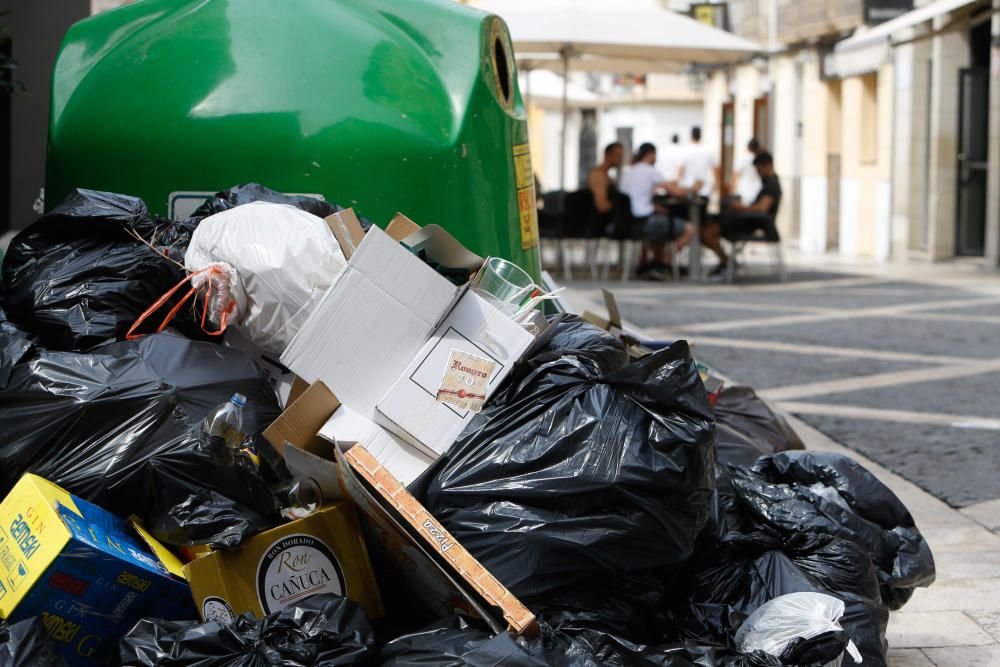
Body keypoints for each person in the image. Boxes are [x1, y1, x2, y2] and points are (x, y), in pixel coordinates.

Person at [619, 142, 694, 277]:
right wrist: (695, 187)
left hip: (628, 222)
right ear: (650, 154)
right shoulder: (650, 171)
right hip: (644, 222)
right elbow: (677, 192)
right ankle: (662, 264)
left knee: (662, 226)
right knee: (689, 229)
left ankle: (648, 263)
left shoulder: (629, 172)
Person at [701, 150, 782, 276]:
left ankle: (726, 262)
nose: (758, 173)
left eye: (759, 170)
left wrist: (740, 207)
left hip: (753, 222)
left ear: (767, 165)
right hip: (749, 220)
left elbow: (762, 208)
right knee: (708, 225)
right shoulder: (768, 183)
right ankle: (726, 261)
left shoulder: (772, 185)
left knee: (707, 231)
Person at [587, 142, 624, 219]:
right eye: (618, 155)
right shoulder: (598, 175)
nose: (621, 159)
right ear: (608, 155)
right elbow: (601, 206)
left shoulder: (607, 176)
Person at [678, 126, 717, 198]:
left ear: (691, 136)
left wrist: (679, 186)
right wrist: (715, 184)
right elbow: (715, 169)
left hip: (688, 187)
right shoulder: (708, 151)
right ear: (700, 136)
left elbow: (680, 171)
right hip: (705, 188)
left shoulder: (684, 151)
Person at [732, 138, 762, 204]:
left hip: (743, 189)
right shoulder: (760, 158)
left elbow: (735, 174)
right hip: (757, 189)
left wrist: (733, 189)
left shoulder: (742, 158)